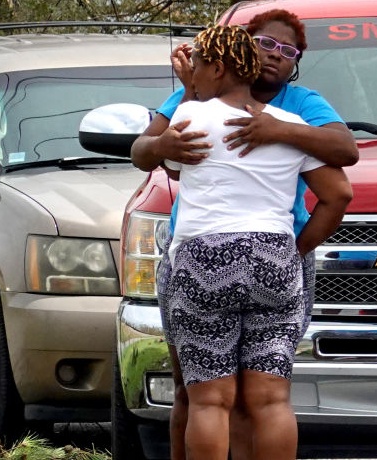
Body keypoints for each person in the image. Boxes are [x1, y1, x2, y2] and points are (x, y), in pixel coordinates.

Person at [131, 9, 358, 460]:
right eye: (266, 45)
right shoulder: (292, 126)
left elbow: (155, 156)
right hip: (275, 258)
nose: (275, 56)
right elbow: (339, 194)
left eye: (287, 51)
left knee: (208, 400)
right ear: (247, 54)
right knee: (272, 400)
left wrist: (177, 121)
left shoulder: (191, 113)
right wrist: (295, 250)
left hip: (201, 258)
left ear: (215, 68)